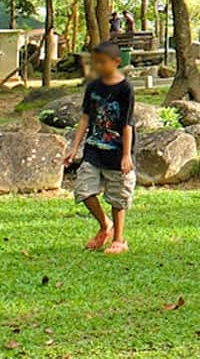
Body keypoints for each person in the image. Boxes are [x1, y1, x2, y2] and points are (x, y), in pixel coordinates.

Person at [63, 41, 135, 255]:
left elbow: (127, 124)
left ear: (116, 62)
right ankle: (105, 226)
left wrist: (126, 155)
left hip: (116, 150)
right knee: (83, 190)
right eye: (96, 62)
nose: (99, 66)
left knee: (118, 195)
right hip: (93, 150)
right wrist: (74, 148)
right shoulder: (93, 87)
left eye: (103, 62)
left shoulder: (125, 89)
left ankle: (119, 239)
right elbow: (85, 118)